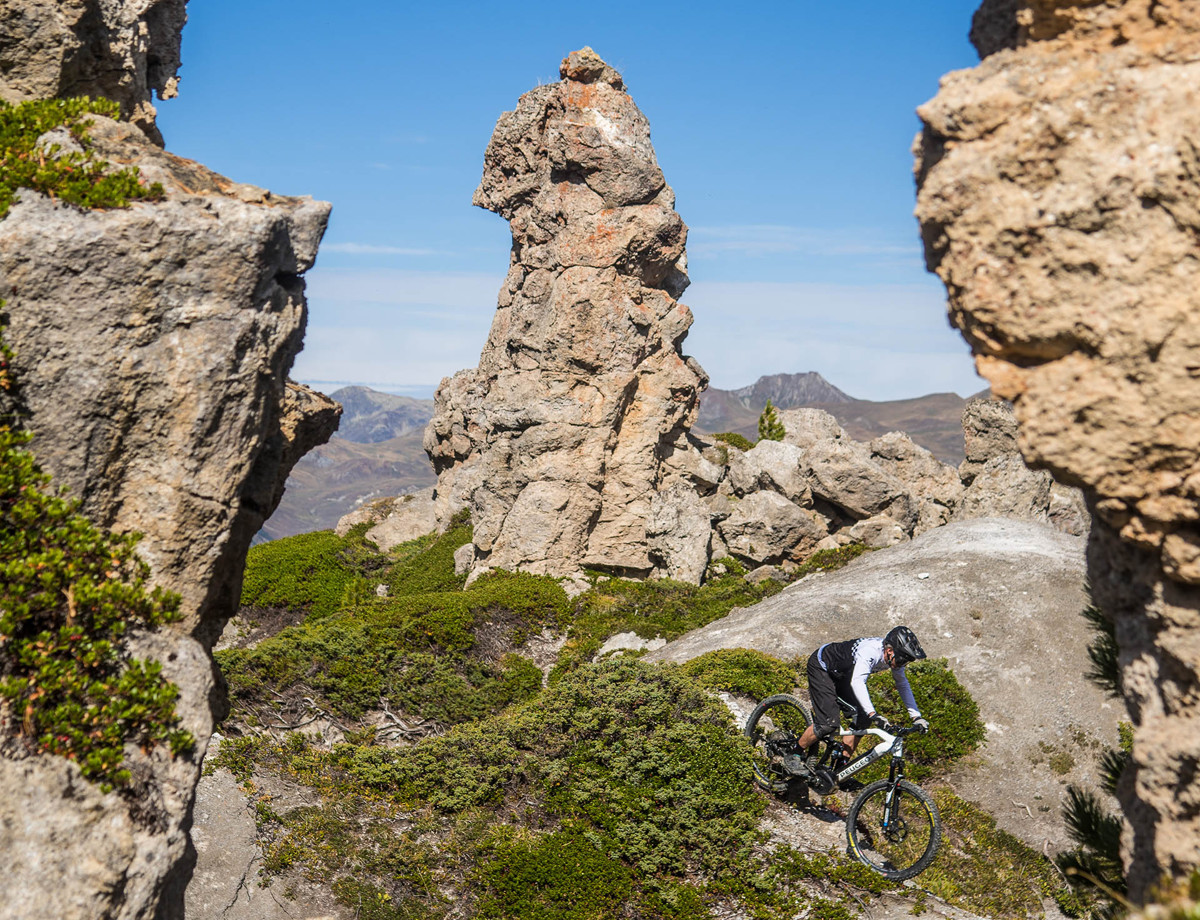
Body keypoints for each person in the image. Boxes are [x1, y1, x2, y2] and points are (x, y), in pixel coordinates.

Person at [785, 625, 929, 776]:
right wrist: (873, 714)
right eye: (901, 660)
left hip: (843, 675)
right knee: (827, 724)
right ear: (889, 650)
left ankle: (840, 771)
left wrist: (916, 716)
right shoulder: (869, 652)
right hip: (823, 667)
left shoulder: (893, 657)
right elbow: (858, 683)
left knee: (862, 719)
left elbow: (902, 685)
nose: (901, 665)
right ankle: (794, 753)